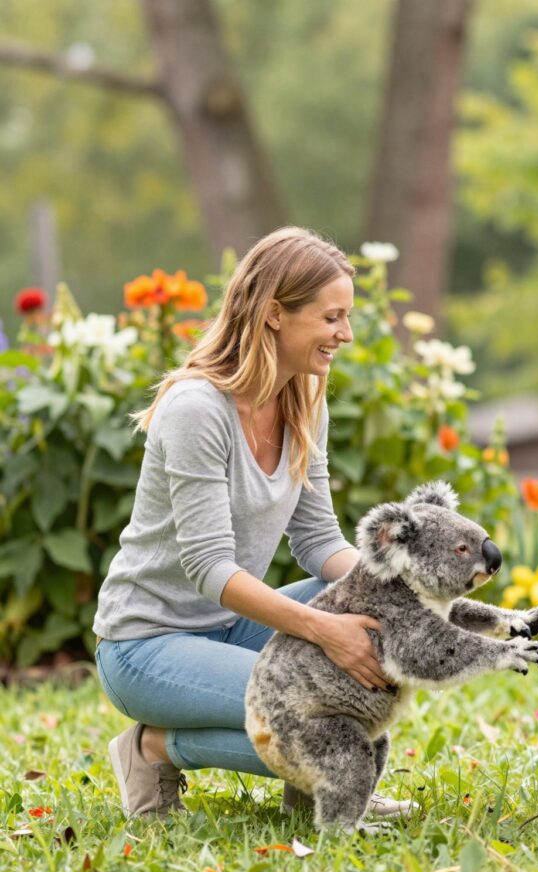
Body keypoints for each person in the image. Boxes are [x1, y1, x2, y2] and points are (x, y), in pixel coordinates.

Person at [94, 227, 405, 820]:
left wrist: (399, 593)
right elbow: (210, 568)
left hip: (230, 628)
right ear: (274, 314)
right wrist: (323, 630)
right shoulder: (197, 409)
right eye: (332, 317)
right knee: (318, 714)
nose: (346, 333)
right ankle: (152, 747)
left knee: (377, 613)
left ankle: (309, 788)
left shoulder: (305, 397)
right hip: (146, 646)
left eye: (347, 317)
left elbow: (319, 541)